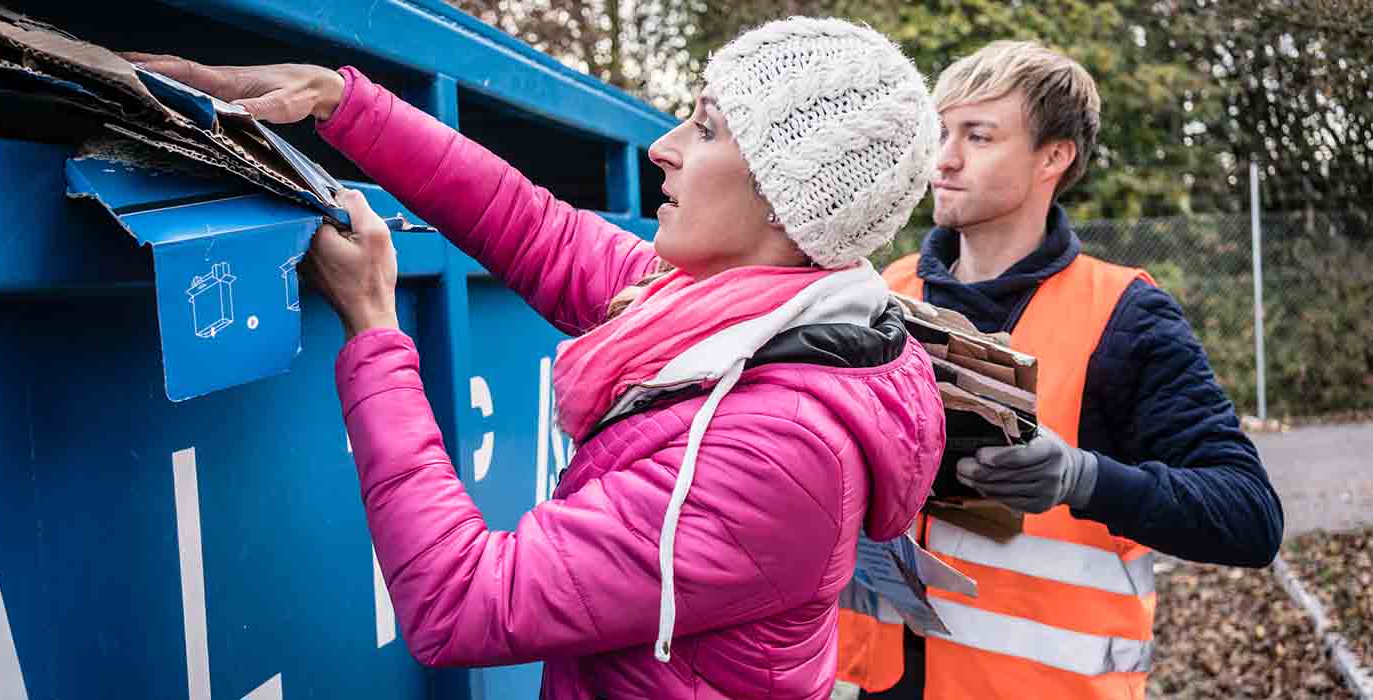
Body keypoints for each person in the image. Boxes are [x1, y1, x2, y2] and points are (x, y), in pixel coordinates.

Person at [133, 16, 948, 699]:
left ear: (783, 193)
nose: (664, 147)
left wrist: (375, 327)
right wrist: (341, 102)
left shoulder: (779, 446)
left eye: (705, 128)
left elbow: (463, 604)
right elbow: (534, 230)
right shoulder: (725, 310)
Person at [836, 40, 1285, 699]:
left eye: (979, 136)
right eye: (941, 133)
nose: (944, 159)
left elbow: (1250, 517)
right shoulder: (885, 298)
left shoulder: (1126, 316)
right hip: (875, 684)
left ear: (1054, 156)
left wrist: (1083, 479)